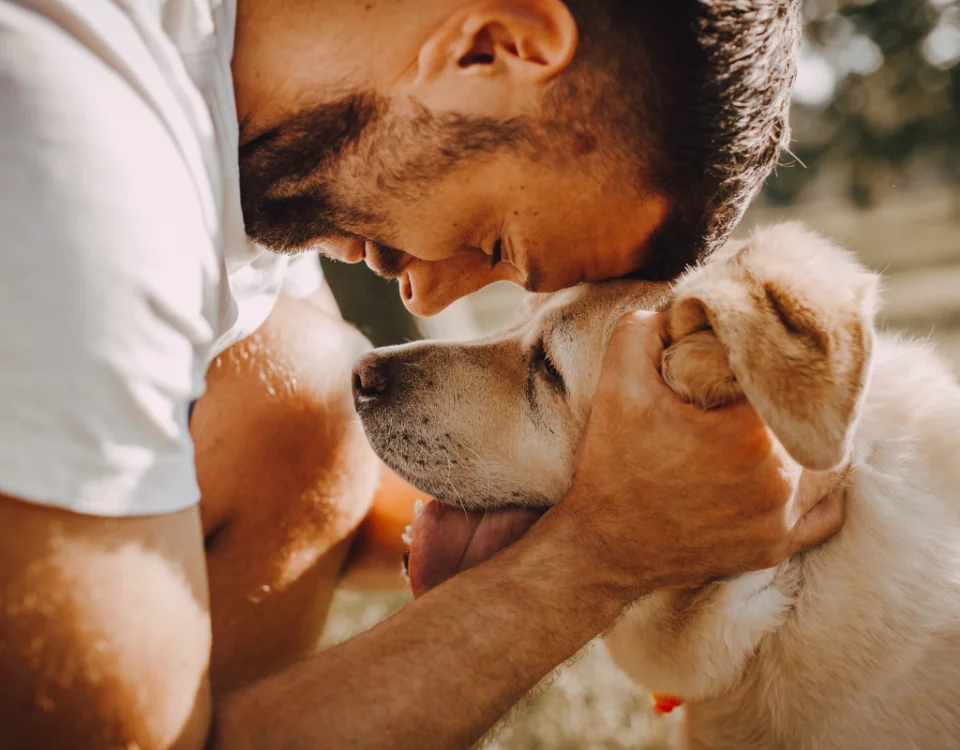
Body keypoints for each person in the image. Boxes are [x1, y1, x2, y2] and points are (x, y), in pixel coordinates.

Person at [0, 0, 841, 748]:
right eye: (497, 244)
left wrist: (666, 501)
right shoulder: (68, 155)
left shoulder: (241, 127)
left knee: (298, 394)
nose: (428, 290)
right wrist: (601, 556)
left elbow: (323, 499)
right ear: (495, 46)